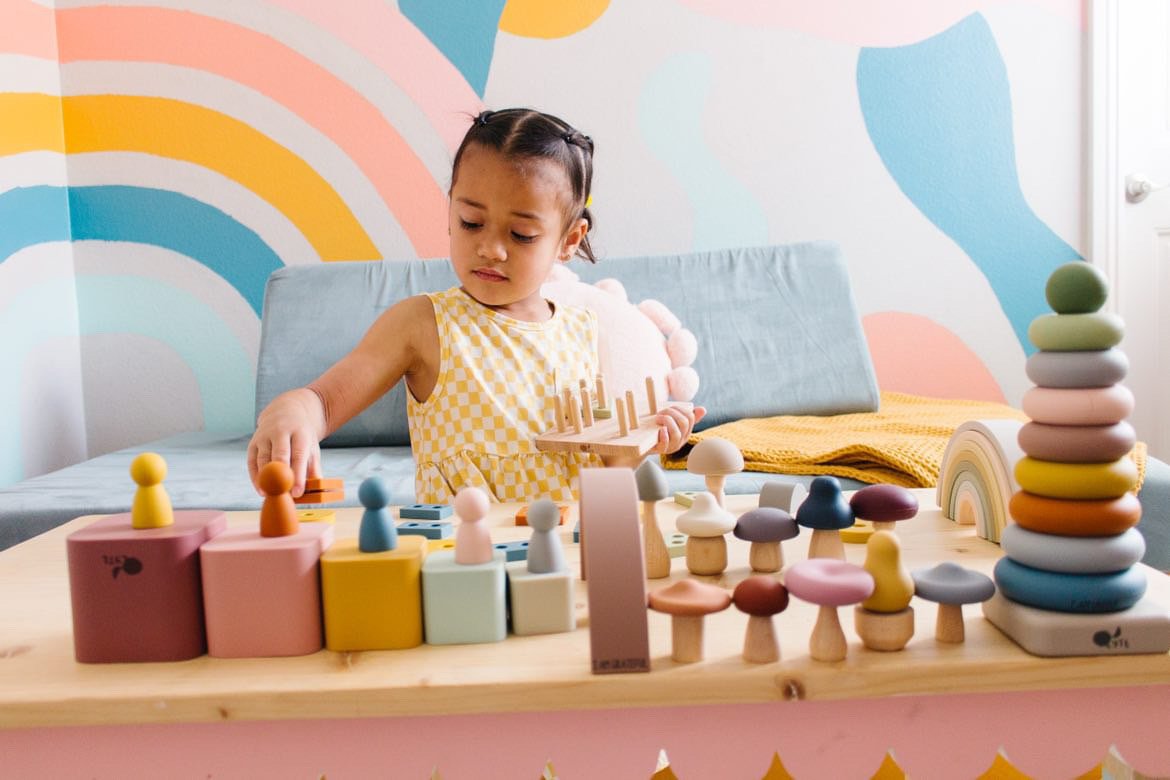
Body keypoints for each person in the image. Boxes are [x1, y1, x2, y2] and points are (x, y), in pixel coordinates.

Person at [247, 107, 705, 502]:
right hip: (462, 558)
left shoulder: (582, 333)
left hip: (564, 549)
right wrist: (291, 413)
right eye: (471, 222)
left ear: (569, 241)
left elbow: (602, 468)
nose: (491, 248)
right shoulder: (422, 324)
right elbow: (323, 402)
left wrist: (643, 442)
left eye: (521, 235)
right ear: (451, 211)